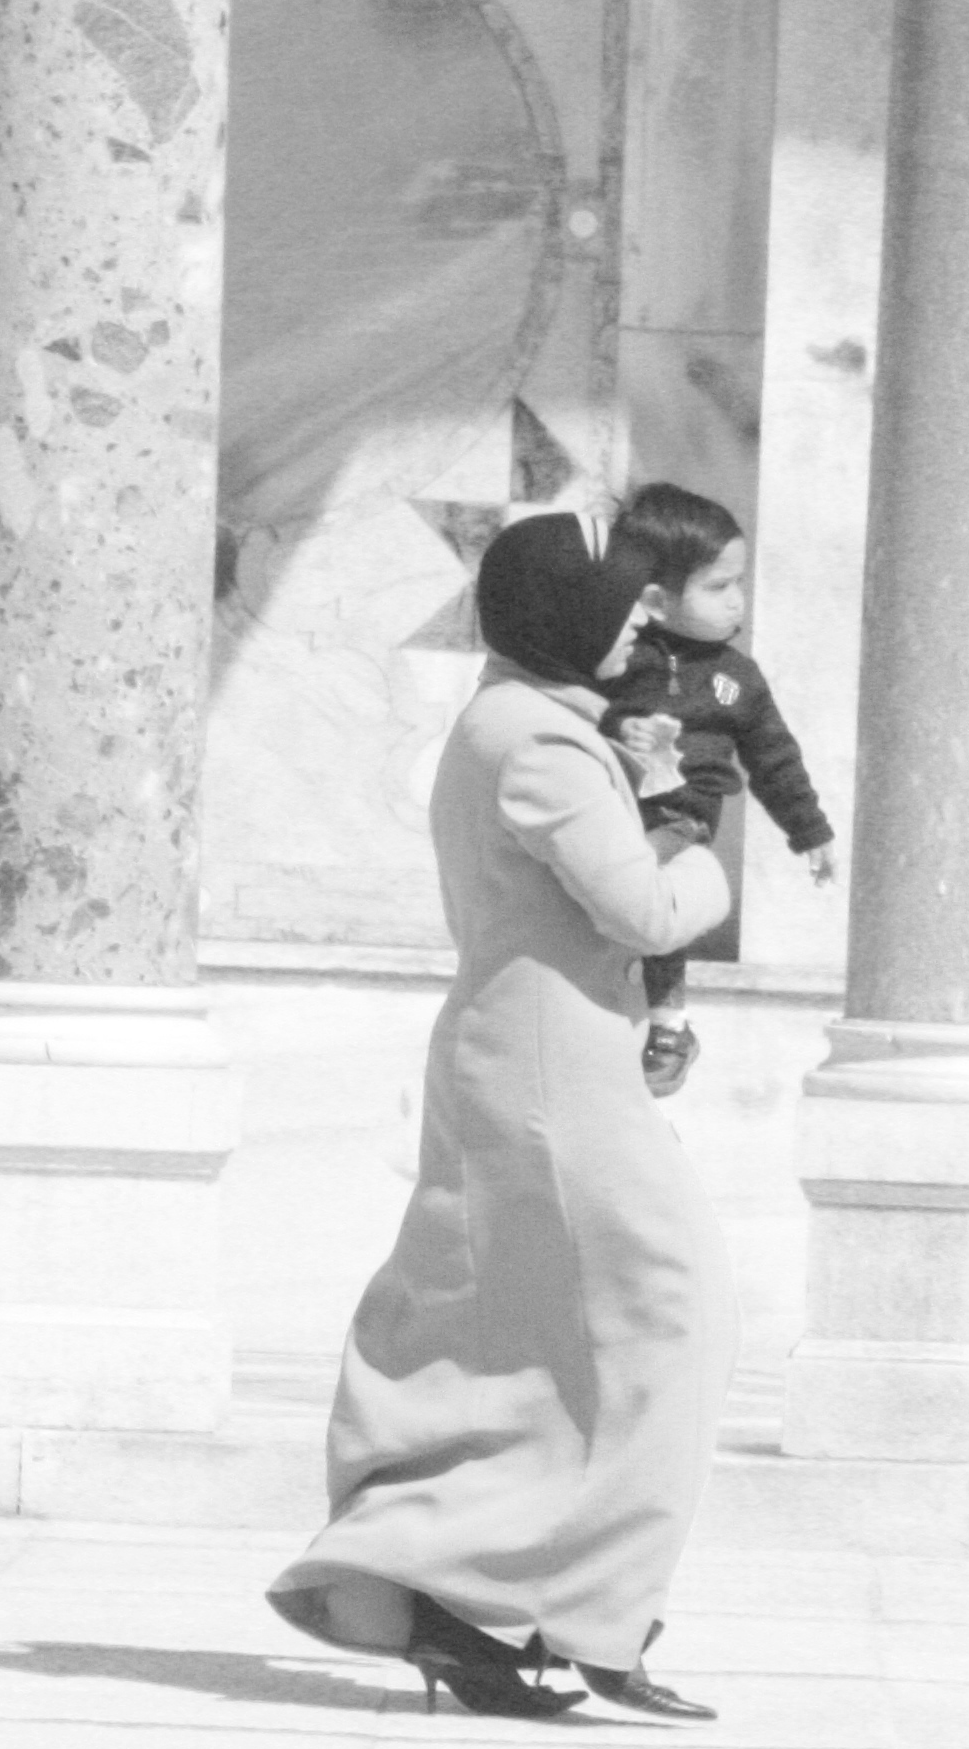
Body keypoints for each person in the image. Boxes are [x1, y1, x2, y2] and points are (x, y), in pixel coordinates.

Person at [265, 508, 732, 1723]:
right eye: (622, 599)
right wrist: (702, 849)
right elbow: (644, 910)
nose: (642, 617)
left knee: (519, 1340)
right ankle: (590, 1610)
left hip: (541, 1059)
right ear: (564, 615)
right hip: (551, 1078)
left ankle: (447, 1597)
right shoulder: (540, 744)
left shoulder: (522, 721)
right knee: (669, 1318)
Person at [594, 482, 834, 1097]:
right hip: (609, 809)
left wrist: (810, 831)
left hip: (679, 818)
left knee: (642, 885)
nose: (737, 602)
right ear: (656, 599)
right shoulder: (620, 657)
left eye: (739, 583)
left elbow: (774, 758)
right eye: (718, 586)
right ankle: (610, 1005)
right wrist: (622, 730)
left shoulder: (738, 679)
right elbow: (577, 717)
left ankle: (670, 1023)